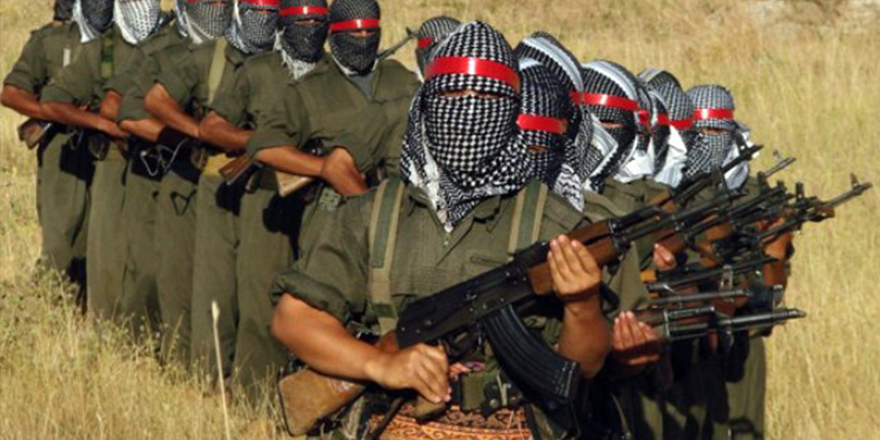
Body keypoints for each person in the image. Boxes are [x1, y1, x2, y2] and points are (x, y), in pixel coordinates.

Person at [270, 21, 615, 440]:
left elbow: (585, 365)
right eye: (452, 94)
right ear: (427, 103)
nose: (468, 109)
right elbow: (294, 319)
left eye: (488, 96)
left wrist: (582, 306)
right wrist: (379, 364)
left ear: (512, 111)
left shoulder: (554, 224)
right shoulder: (373, 214)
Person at [195, 0, 333, 396]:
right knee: (260, 299)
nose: (309, 28)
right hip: (268, 195)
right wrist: (261, 141)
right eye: (301, 21)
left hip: (323, 201)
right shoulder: (258, 71)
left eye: (317, 21)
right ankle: (255, 395)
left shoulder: (334, 73)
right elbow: (212, 127)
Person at [144, 0, 278, 387]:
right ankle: (208, 382)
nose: (262, 19)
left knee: (258, 291)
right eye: (254, 10)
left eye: (269, 12)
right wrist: (201, 133)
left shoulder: (283, 61)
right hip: (219, 182)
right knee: (214, 289)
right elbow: (155, 100)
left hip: (269, 189)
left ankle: (255, 382)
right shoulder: (212, 57)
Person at [245, 0, 420, 260]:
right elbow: (264, 147)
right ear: (334, 33)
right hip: (334, 214)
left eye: (370, 31)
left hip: (399, 207)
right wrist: (324, 168)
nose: (363, 39)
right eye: (355, 32)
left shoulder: (402, 80)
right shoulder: (310, 88)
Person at [39, 0, 143, 322]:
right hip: (75, 147)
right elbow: (40, 98)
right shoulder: (56, 42)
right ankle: (55, 308)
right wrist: (98, 122)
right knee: (66, 239)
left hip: (119, 157)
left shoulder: (133, 44)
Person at [1, 0, 89, 303]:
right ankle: (47, 304)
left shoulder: (112, 39)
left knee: (95, 238)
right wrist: (52, 113)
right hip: (63, 146)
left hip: (105, 148)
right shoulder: (48, 40)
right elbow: (12, 92)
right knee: (60, 240)